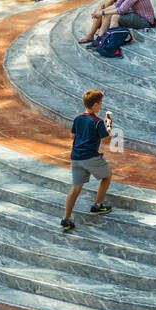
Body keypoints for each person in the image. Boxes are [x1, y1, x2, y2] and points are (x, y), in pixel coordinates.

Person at [61, 89, 114, 232]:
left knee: (76, 188)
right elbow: (106, 140)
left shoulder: (78, 118)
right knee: (107, 176)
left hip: (76, 157)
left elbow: (73, 136)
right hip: (90, 156)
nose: (101, 105)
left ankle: (66, 219)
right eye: (100, 103)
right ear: (96, 104)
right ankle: (97, 205)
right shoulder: (97, 122)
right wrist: (109, 125)